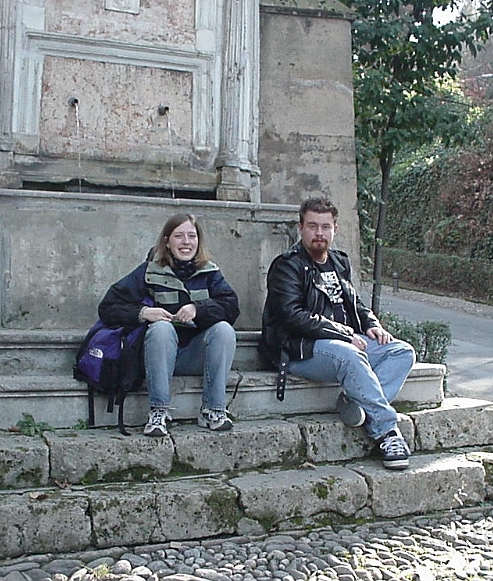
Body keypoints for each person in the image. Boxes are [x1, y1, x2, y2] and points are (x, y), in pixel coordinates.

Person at [259, 197, 416, 470]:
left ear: (335, 229)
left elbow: (354, 302)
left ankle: (355, 403)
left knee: (402, 352)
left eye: (325, 227)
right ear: (301, 228)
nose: (319, 233)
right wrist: (343, 334)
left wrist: (371, 324)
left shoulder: (339, 262)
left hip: (343, 344)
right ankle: (386, 432)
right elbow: (291, 316)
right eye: (312, 226)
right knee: (350, 354)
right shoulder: (287, 265)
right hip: (299, 348)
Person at [98, 213, 240, 436]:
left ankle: (213, 409)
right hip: (157, 355)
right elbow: (108, 307)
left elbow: (231, 307)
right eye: (179, 236)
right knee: (161, 328)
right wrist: (144, 312)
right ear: (167, 241)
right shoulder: (148, 271)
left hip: (195, 354)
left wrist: (198, 308)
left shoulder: (210, 272)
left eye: (191, 236)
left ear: (198, 241)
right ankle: (158, 411)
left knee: (224, 330)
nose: (186, 242)